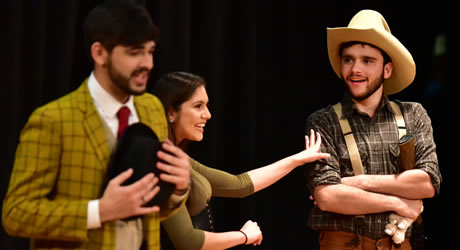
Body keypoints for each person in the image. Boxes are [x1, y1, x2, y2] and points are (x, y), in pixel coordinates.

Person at [2, 1, 191, 250]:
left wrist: (177, 189)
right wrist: (99, 211)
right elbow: (15, 214)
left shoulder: (152, 108)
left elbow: (150, 210)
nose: (148, 64)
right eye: (135, 52)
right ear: (99, 53)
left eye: (150, 51)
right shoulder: (51, 120)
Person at [304, 9, 442, 249]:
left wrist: (356, 182)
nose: (355, 69)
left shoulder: (413, 114)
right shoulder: (323, 121)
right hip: (344, 244)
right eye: (348, 59)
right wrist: (398, 203)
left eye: (367, 60)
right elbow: (327, 196)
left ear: (387, 70)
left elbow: (427, 183)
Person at [151, 71, 330, 249]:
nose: (208, 114)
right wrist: (243, 236)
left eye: (206, 105)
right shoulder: (160, 162)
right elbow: (188, 241)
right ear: (171, 113)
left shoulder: (177, 158)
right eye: (198, 106)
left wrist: (298, 159)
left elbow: (239, 184)